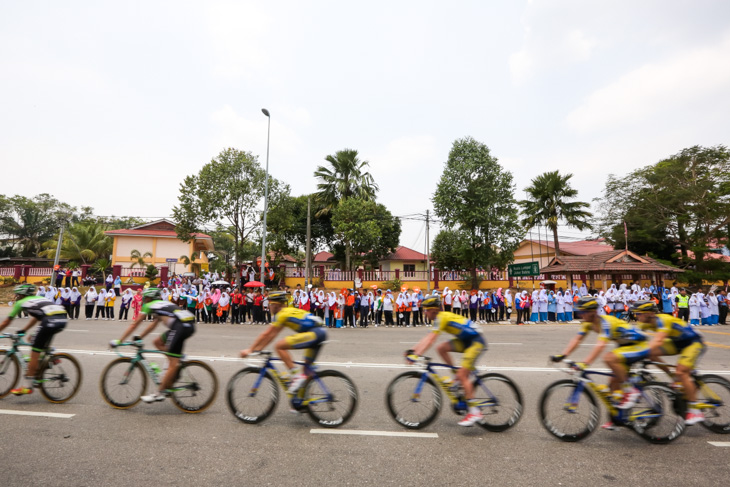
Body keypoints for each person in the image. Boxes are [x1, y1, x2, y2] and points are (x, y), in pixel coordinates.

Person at [550, 296, 650, 427]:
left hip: (639, 343)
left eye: (583, 312)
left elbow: (601, 345)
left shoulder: (605, 322)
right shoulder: (588, 324)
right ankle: (619, 417)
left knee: (609, 358)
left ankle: (631, 391)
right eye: (580, 312)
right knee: (613, 384)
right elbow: (577, 340)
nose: (581, 315)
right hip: (625, 345)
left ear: (593, 312)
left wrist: (585, 363)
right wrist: (563, 355)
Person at [409, 295, 487, 427]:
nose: (424, 312)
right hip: (466, 341)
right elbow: (428, 337)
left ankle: (475, 412)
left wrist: (417, 354)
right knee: (441, 348)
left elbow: (431, 339)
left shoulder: (442, 318)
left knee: (463, 374)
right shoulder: (438, 319)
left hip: (475, 342)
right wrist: (412, 351)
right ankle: (456, 376)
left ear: (433, 310)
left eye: (425, 310)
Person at [111, 287, 196, 403]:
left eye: (145, 298)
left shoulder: (150, 305)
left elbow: (134, 324)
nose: (144, 300)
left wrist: (119, 341)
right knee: (157, 342)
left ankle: (159, 393)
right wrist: (140, 337)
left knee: (172, 362)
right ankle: (175, 362)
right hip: (185, 324)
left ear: (150, 298)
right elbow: (153, 325)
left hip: (181, 326)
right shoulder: (161, 304)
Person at [631, 300, 706, 425]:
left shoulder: (663, 320)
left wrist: (640, 352)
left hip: (693, 342)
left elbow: (659, 340)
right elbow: (633, 334)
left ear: (649, 313)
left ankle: (695, 410)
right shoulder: (645, 322)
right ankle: (673, 378)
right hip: (677, 342)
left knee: (681, 372)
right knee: (651, 353)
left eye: (638, 313)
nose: (636, 316)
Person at [239, 291, 327, 395]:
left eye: (270, 304)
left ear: (276, 305)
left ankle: (294, 375)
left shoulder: (282, 314)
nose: (269, 307)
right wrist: (258, 349)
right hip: (320, 332)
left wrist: (250, 350)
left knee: (279, 346)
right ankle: (301, 403)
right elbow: (271, 335)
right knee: (306, 371)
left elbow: (267, 334)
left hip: (314, 333)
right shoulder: (288, 311)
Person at [0, 284, 67, 395]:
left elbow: (6, 322)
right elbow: (37, 317)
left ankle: (27, 386)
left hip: (50, 321)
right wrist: (24, 330)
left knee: (34, 354)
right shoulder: (39, 298)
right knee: (32, 337)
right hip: (62, 319)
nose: (16, 296)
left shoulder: (21, 303)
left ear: (22, 295)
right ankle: (50, 355)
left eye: (17, 294)